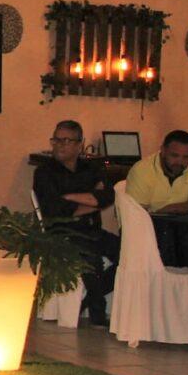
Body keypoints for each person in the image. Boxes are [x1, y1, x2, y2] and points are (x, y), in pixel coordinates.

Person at [32, 119, 119, 326]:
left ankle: (88, 300)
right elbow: (54, 209)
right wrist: (90, 199)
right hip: (60, 232)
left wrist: (69, 197)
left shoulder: (91, 168)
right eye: (56, 140)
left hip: (91, 229)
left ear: (80, 145)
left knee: (130, 254)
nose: (59, 145)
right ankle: (97, 311)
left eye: (66, 141)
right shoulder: (44, 172)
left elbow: (107, 197)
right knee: (90, 256)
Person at [125, 129, 188, 214]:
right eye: (174, 155)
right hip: (148, 223)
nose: (180, 162)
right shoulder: (142, 170)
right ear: (163, 150)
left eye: (186, 157)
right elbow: (136, 212)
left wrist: (175, 208)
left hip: (184, 224)